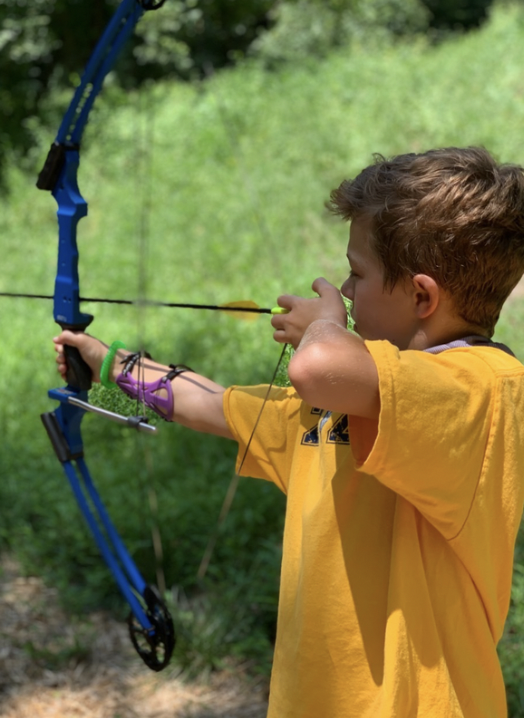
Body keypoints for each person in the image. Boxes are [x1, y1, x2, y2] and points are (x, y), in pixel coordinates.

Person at [54, 146, 524, 718]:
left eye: (357, 272)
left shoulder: (486, 388)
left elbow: (318, 369)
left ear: (422, 296)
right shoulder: (336, 407)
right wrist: (109, 365)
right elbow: (213, 406)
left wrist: (324, 327)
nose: (346, 293)